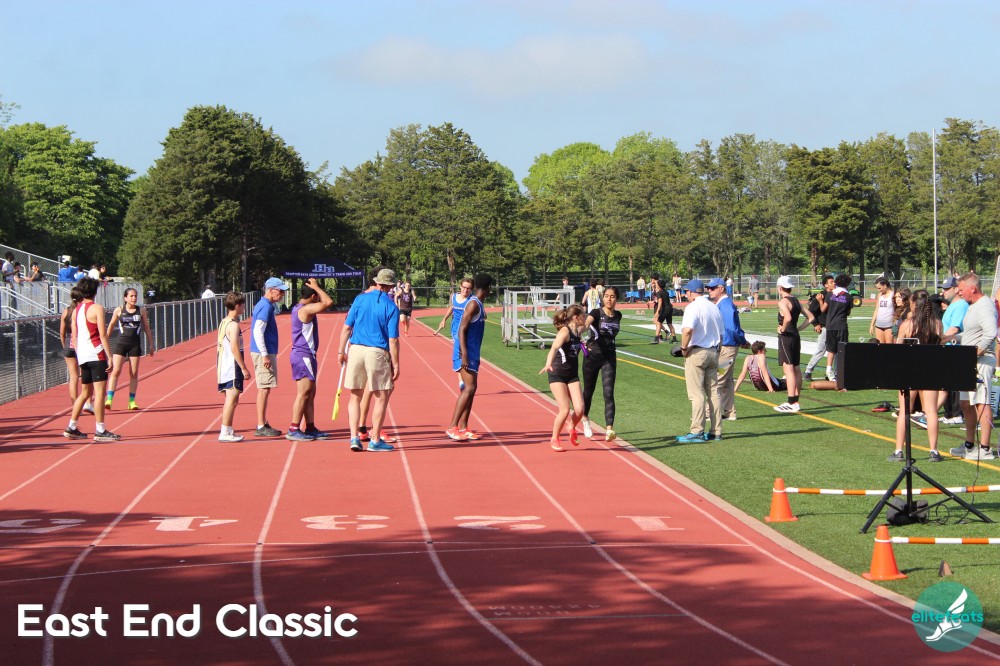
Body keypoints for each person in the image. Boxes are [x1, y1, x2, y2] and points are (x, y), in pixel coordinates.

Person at [338, 268, 400, 452]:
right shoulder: (391, 307)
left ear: (377, 281)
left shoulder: (360, 299)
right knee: (382, 396)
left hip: (356, 349)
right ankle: (374, 439)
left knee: (355, 396)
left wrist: (340, 350)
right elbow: (393, 339)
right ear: (390, 285)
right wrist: (396, 363)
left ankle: (354, 438)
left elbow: (346, 328)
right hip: (377, 351)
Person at [946, 273, 997, 461]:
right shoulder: (972, 306)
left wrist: (976, 352)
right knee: (966, 403)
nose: (959, 292)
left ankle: (985, 448)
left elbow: (991, 333)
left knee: (982, 403)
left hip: (981, 362)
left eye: (961, 289)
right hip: (968, 361)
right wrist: (951, 338)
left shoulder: (985, 306)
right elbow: (970, 334)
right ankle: (969, 445)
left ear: (973, 288)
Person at [887, 290, 942, 462]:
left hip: (909, 371)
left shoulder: (907, 325)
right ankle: (934, 451)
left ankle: (898, 450)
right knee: (931, 411)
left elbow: (898, 349)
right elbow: (941, 346)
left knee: (904, 410)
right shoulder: (937, 324)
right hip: (930, 370)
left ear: (913, 304)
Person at [63, 277, 120, 442]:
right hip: (96, 354)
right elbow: (102, 334)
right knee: (100, 393)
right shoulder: (97, 308)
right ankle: (100, 430)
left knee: (85, 393)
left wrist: (80, 354)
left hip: (83, 355)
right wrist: (109, 356)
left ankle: (72, 426)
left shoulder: (76, 310)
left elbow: (74, 336)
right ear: (95, 292)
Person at [675, 279, 724, 443]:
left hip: (697, 351)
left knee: (696, 394)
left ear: (690, 292)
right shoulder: (714, 307)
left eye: (686, 292)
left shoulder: (692, 307)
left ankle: (697, 431)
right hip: (713, 351)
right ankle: (716, 431)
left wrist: (683, 348)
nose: (686, 295)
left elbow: (687, 330)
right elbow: (721, 334)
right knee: (713, 393)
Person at [286, 278, 334, 441]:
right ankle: (293, 429)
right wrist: (317, 287)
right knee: (303, 393)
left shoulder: (300, 308)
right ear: (313, 296)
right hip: (303, 355)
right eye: (316, 295)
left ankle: (310, 427)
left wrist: (315, 288)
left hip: (307, 355)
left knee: (310, 393)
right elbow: (328, 302)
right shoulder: (305, 309)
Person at [447, 273, 493, 441]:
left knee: (471, 389)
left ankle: (464, 427)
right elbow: (462, 329)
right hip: (465, 352)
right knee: (469, 388)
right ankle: (453, 427)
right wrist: (464, 355)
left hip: (472, 352)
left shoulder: (478, 303)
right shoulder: (473, 304)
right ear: (488, 288)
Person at [540, 304, 587, 452]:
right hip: (557, 373)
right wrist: (548, 363)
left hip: (572, 374)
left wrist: (586, 346)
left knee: (580, 409)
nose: (585, 318)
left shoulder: (578, 331)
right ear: (576, 317)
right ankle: (555, 438)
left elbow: (578, 345)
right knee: (565, 410)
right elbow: (554, 347)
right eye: (583, 316)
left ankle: (571, 426)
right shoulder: (565, 332)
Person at [581, 285, 622, 441]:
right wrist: (579, 330)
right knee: (588, 391)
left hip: (609, 357)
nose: (609, 299)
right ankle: (585, 419)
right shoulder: (596, 313)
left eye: (612, 296)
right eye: (606, 296)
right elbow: (587, 323)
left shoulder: (618, 315)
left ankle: (609, 429)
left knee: (608, 393)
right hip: (592, 357)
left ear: (616, 299)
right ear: (602, 298)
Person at [105, 287, 155, 410]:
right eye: (131, 296)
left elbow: (146, 327)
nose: (134, 298)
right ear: (125, 298)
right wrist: (104, 340)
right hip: (121, 344)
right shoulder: (119, 310)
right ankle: (109, 399)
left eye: (135, 296)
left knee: (133, 373)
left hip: (135, 344)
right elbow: (111, 326)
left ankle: (131, 401)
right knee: (116, 371)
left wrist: (151, 344)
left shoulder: (141, 310)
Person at [773, 276, 818, 413]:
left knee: (788, 369)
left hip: (786, 337)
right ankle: (796, 401)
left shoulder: (783, 301)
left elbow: (788, 317)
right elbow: (811, 317)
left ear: (780, 287)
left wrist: (783, 329)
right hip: (795, 336)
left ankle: (791, 402)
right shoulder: (796, 301)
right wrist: (798, 329)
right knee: (796, 368)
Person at [250, 277, 288, 438]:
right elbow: (258, 331)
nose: (282, 294)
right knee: (264, 388)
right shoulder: (265, 307)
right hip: (263, 352)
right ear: (271, 290)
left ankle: (262, 422)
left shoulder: (265, 305)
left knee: (265, 387)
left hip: (263, 350)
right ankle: (260, 425)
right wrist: (264, 354)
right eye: (280, 291)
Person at [707, 277, 749, 421]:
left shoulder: (725, 304)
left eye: (713, 288)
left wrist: (741, 340)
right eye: (708, 288)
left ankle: (709, 412)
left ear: (721, 288)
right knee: (727, 381)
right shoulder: (723, 303)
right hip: (726, 347)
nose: (709, 290)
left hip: (726, 348)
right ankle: (729, 412)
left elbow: (731, 328)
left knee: (717, 380)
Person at [216, 291, 250, 443]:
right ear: (237, 306)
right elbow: (235, 348)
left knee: (230, 400)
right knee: (232, 400)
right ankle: (225, 431)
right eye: (242, 305)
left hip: (224, 366)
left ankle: (228, 429)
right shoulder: (233, 325)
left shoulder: (224, 322)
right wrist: (243, 368)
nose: (244, 307)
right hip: (231, 367)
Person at [935, 278, 967, 426]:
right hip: (947, 347)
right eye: (943, 288)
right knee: (946, 382)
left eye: (947, 288)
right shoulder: (952, 305)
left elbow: (954, 328)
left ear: (956, 289)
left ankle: (957, 414)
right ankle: (948, 413)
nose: (944, 292)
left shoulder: (961, 305)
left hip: (955, 349)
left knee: (954, 384)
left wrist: (939, 340)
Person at [434, 276, 473, 391]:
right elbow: (451, 308)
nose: (466, 290)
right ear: (460, 287)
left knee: (465, 355)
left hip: (467, 330)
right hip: (455, 330)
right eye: (464, 287)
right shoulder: (454, 296)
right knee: (459, 354)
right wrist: (443, 320)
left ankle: (463, 380)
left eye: (468, 288)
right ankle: (461, 381)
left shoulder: (472, 300)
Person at [803, 274, 834, 382]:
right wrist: (816, 324)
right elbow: (810, 312)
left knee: (836, 351)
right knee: (821, 350)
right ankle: (808, 371)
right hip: (824, 327)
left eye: (834, 281)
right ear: (826, 285)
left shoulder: (836, 295)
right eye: (831, 282)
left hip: (835, 327)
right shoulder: (820, 296)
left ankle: (832, 373)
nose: (834, 283)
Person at [823, 273, 853, 380]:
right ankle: (838, 372)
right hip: (841, 325)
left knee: (831, 349)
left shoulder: (830, 294)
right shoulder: (848, 297)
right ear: (847, 284)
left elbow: (824, 309)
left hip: (830, 325)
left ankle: (828, 369)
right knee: (842, 349)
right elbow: (848, 312)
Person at [60, 286, 83, 407]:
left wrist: (65, 345)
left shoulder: (66, 311)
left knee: (73, 378)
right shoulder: (82, 311)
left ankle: (75, 405)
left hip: (69, 346)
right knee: (85, 375)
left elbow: (62, 332)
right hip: (82, 345)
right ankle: (86, 402)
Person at [869, 277, 895, 343]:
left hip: (889, 326)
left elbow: (897, 310)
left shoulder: (893, 295)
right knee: (880, 346)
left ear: (885, 286)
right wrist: (872, 324)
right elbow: (876, 310)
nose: (878, 290)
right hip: (878, 325)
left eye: (879, 288)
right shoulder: (879, 295)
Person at [651, 279, 675, 344]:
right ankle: (674, 339)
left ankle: (656, 339)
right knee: (669, 324)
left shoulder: (659, 292)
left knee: (658, 322)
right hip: (670, 309)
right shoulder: (666, 292)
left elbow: (660, 302)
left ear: (658, 285)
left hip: (665, 309)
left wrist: (657, 311)